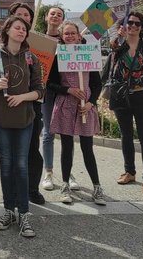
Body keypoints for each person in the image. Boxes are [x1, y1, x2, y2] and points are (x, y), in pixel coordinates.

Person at [0, 15, 44, 238]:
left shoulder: (31, 59)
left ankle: (24, 213)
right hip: (0, 120)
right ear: (7, 30)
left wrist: (23, 98)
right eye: (17, 28)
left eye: (24, 29)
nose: (21, 31)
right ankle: (8, 210)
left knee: (21, 165)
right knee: (6, 165)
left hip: (25, 120)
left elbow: (40, 90)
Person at [47, 21, 106, 205]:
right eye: (67, 34)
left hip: (85, 106)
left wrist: (91, 103)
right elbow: (50, 83)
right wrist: (68, 90)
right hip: (66, 104)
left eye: (73, 33)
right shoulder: (58, 56)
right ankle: (65, 185)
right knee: (67, 146)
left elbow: (97, 83)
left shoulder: (89, 54)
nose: (70, 36)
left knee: (87, 147)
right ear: (62, 37)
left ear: (79, 36)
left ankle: (97, 187)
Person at [110, 11, 143, 196]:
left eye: (137, 24)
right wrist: (118, 36)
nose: (133, 26)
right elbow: (112, 52)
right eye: (130, 23)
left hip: (140, 96)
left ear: (142, 27)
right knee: (126, 135)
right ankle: (129, 172)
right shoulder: (118, 46)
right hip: (121, 96)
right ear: (124, 25)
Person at [8, 2, 45, 205]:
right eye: (18, 14)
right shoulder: (1, 43)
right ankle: (12, 189)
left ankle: (32, 188)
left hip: (32, 104)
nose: (23, 17)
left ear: (31, 20)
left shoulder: (40, 42)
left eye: (26, 15)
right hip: (8, 105)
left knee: (32, 148)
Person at [41, 6, 80, 192]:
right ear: (46, 17)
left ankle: (68, 172)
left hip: (68, 92)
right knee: (48, 133)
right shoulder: (37, 39)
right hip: (48, 92)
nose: (55, 16)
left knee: (67, 134)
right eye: (52, 13)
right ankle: (48, 172)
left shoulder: (69, 40)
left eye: (59, 14)